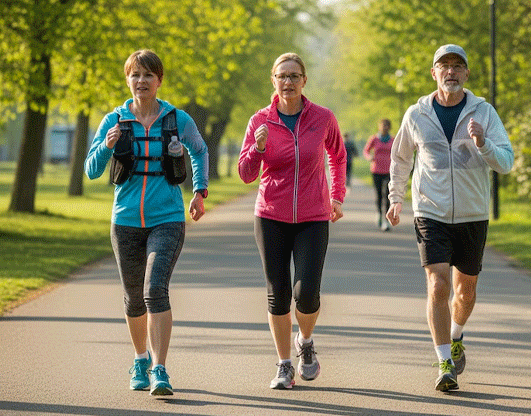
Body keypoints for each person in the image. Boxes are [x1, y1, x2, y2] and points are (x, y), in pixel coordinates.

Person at [386, 44, 514, 391]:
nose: (452, 72)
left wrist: (483, 142)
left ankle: (456, 335)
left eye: (458, 66)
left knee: (466, 292)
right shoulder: (416, 114)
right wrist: (396, 198)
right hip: (431, 210)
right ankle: (444, 362)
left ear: (466, 74)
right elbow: (400, 159)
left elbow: (506, 162)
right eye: (445, 66)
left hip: (472, 213)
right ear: (434, 73)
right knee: (438, 284)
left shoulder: (483, 112)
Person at [84, 49, 209, 396]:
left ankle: (159, 369)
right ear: (128, 79)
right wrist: (107, 147)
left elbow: (199, 150)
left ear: (159, 80)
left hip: (167, 218)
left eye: (148, 75)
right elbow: (91, 170)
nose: (141, 81)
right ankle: (140, 358)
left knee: (155, 290)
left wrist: (199, 190)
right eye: (135, 75)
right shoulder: (114, 120)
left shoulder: (177, 119)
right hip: (124, 221)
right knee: (133, 298)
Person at [238, 52, 346, 390]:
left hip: (314, 216)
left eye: (294, 76)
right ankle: (284, 364)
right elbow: (245, 174)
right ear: (273, 80)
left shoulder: (323, 118)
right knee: (278, 293)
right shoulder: (260, 120)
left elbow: (338, 156)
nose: (288, 82)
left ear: (304, 81)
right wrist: (256, 150)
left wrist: (337, 196)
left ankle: (306, 340)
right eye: (282, 76)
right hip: (271, 216)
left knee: (307, 293)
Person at [363, 119, 394, 231]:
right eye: (383, 125)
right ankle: (379, 214)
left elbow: (397, 152)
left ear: (389, 127)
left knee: (387, 194)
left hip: (389, 171)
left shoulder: (393, 139)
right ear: (379, 126)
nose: (385, 127)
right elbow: (366, 151)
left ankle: (386, 219)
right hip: (376, 170)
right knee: (379, 195)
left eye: (387, 125)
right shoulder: (374, 139)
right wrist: (369, 157)